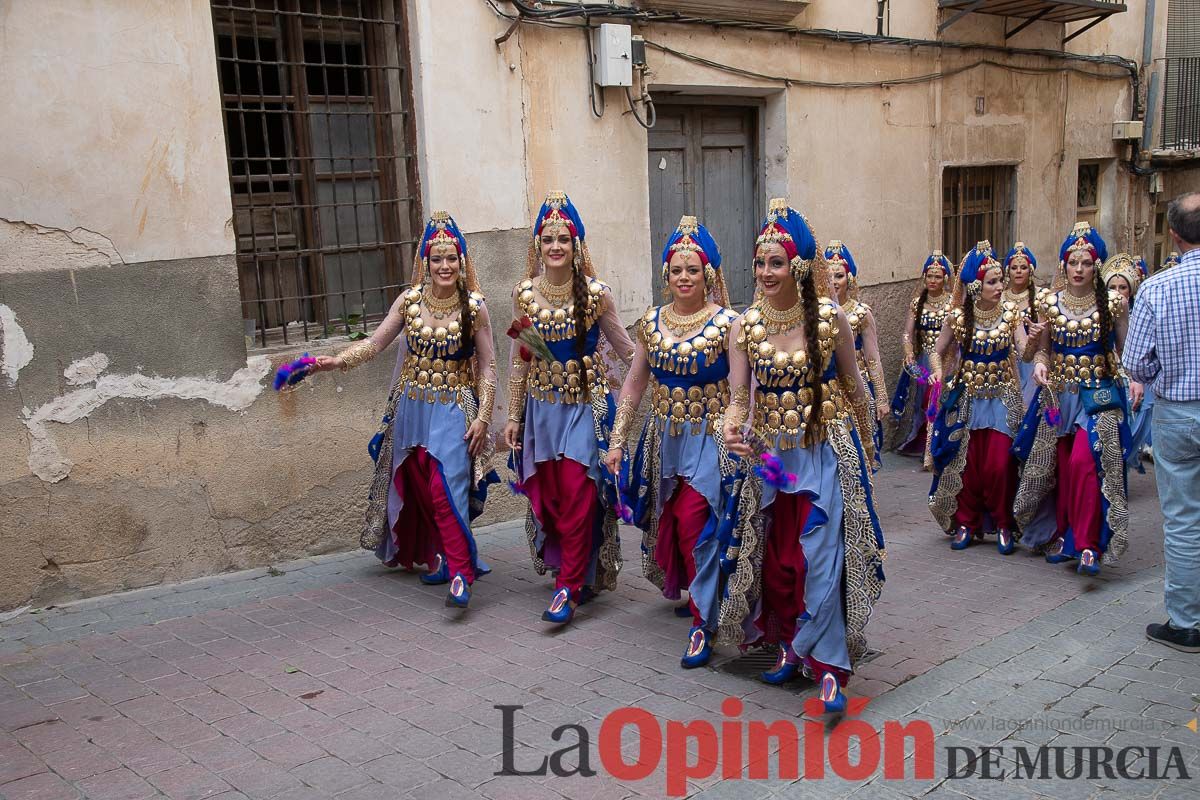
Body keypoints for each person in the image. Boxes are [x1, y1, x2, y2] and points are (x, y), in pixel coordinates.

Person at [721, 199, 885, 714]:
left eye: (777, 262)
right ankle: (792, 643)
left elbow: (855, 388)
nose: (766, 272)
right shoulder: (744, 326)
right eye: (761, 262)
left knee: (821, 556)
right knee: (781, 556)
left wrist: (866, 454)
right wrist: (732, 431)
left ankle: (831, 667)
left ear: (798, 266)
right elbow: (735, 399)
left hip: (825, 452)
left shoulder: (830, 319)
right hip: (771, 460)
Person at [310, 212, 498, 608]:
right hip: (411, 406)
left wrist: (482, 417)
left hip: (453, 406)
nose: (444, 267)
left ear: (462, 262)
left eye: (451, 259)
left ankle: (462, 574)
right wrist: (336, 361)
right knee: (418, 487)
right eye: (436, 259)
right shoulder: (409, 302)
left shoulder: (474, 306)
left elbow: (490, 365)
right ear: (425, 262)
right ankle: (451, 557)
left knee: (444, 487)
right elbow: (375, 344)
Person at [605, 215, 738, 668]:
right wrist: (618, 438)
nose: (684, 278)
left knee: (699, 523)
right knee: (674, 521)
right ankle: (706, 593)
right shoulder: (652, 323)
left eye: (693, 270)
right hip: (665, 440)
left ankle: (704, 624)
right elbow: (634, 383)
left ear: (709, 275)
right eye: (677, 270)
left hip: (713, 438)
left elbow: (745, 389)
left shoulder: (728, 324)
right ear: (667, 275)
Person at [504, 191, 636, 626]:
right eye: (547, 239)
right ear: (537, 246)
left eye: (563, 238)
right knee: (555, 497)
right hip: (542, 411)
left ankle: (569, 587)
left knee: (580, 494)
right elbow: (520, 357)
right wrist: (512, 415)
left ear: (577, 244)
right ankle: (575, 569)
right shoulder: (524, 295)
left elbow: (629, 351)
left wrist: (673, 360)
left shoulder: (597, 295)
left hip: (585, 407)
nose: (555, 247)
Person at [1013, 222, 1131, 576]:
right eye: (1073, 262)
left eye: (1087, 263)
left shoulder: (1112, 304)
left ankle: (1089, 543)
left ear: (1096, 267)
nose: (1079, 269)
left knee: (1085, 462)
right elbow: (1039, 353)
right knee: (1061, 466)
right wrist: (1038, 363)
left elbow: (1126, 350)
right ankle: (1064, 534)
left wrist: (1132, 383)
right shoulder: (1050, 303)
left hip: (1097, 398)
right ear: (1063, 265)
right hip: (1057, 399)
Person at [1124, 191, 1200, 653]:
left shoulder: (1157, 288)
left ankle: (1187, 622)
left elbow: (1136, 363)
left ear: (1173, 236)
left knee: (1183, 520)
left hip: (1177, 413)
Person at [927, 242, 1024, 555]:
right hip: (968, 398)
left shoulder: (1011, 314)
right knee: (966, 465)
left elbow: (1024, 350)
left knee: (999, 464)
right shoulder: (957, 318)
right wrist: (939, 373)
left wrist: (1036, 341)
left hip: (1003, 399)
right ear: (975, 286)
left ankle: (1004, 523)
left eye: (1000, 280)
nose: (999, 287)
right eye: (992, 282)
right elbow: (936, 351)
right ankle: (967, 523)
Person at [825, 240, 887, 470]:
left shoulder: (861, 314)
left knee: (862, 449)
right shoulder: (820, 313)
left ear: (849, 279)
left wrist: (880, 397)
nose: (834, 282)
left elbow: (873, 357)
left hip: (859, 389)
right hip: (830, 390)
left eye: (839, 276)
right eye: (829, 276)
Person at [890, 251, 954, 469]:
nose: (933, 281)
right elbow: (907, 334)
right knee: (926, 403)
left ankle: (939, 448)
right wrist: (908, 351)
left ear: (945, 278)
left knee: (943, 402)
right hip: (926, 361)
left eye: (937, 276)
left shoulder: (952, 304)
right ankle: (927, 448)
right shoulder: (917, 304)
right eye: (929, 276)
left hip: (947, 361)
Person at [1103, 254, 1151, 472]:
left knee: (1133, 422)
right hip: (1106, 374)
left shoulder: (1139, 313)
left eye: (1122, 287)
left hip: (1131, 375)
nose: (1117, 290)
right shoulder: (1097, 314)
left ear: (1130, 290)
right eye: (1112, 285)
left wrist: (1134, 377)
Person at [1003, 242, 1046, 407]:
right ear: (1008, 271)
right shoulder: (999, 298)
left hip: (1032, 360)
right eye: (1014, 268)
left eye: (1023, 267)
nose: (1019, 271)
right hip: (1006, 362)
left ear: (1031, 270)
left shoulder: (1042, 296)